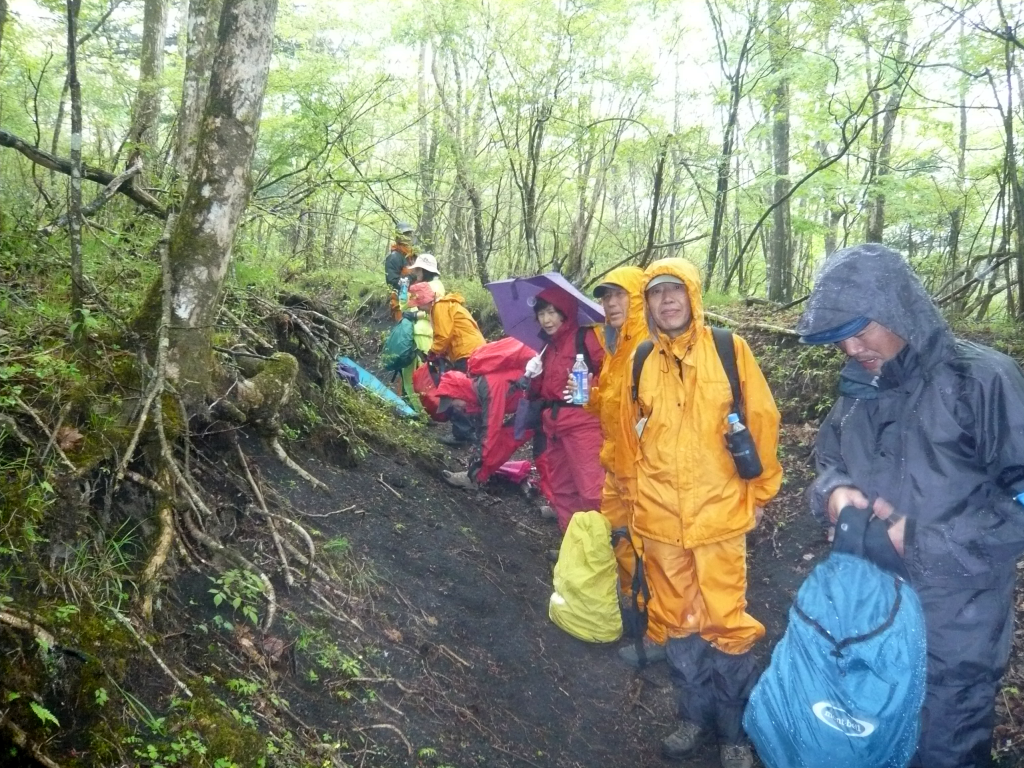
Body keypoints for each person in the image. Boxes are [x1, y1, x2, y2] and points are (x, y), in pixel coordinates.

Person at [797, 243, 1024, 768]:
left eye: (861, 330)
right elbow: (829, 458)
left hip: (957, 617)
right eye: (840, 338)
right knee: (874, 732)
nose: (852, 348)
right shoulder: (858, 388)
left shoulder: (982, 380)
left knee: (944, 744)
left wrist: (920, 540)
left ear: (900, 310)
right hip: (871, 603)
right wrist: (832, 492)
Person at [615, 258, 781, 768]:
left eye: (675, 292)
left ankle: (732, 731)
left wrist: (757, 495)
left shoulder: (730, 350)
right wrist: (630, 504)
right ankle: (692, 717)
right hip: (661, 522)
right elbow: (626, 441)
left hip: (719, 520)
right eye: (657, 294)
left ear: (692, 296)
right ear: (648, 304)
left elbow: (763, 420)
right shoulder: (641, 359)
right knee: (678, 621)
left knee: (726, 623)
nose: (667, 302)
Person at [577, 267, 657, 663]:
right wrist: (588, 398)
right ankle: (631, 607)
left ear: (639, 298)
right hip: (616, 465)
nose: (611, 304)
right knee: (619, 537)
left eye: (619, 296)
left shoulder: (650, 345)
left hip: (644, 469)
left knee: (650, 545)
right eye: (606, 297)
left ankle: (656, 624)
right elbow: (613, 404)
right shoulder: (616, 348)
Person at [528, 287, 606, 534]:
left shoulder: (587, 338)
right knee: (562, 490)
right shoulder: (547, 347)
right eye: (541, 313)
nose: (546, 320)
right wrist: (533, 376)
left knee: (592, 491)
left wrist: (590, 386)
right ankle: (573, 550)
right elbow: (541, 393)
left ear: (565, 313)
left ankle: (603, 555)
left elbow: (614, 375)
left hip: (584, 424)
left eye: (552, 312)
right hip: (554, 426)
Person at [406, 282, 486, 445]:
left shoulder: (440, 308)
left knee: (458, 392)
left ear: (424, 301)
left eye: (419, 305)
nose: (419, 309)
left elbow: (443, 337)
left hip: (467, 352)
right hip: (474, 351)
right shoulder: (446, 305)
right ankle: (476, 432)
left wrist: (433, 353)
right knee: (472, 391)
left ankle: (462, 434)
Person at [399, 253, 446, 411]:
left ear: (426, 270)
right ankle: (416, 410)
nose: (416, 273)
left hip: (426, 336)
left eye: (419, 270)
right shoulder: (420, 285)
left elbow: (436, 311)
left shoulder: (436, 286)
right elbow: (404, 307)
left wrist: (416, 314)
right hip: (412, 334)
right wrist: (403, 290)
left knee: (423, 375)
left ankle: (426, 411)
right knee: (408, 374)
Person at [384, 222, 416, 321]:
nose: (408, 237)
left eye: (410, 234)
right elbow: (393, 282)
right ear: (398, 237)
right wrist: (412, 277)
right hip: (400, 304)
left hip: (415, 302)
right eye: (405, 234)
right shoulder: (394, 257)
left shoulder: (413, 256)